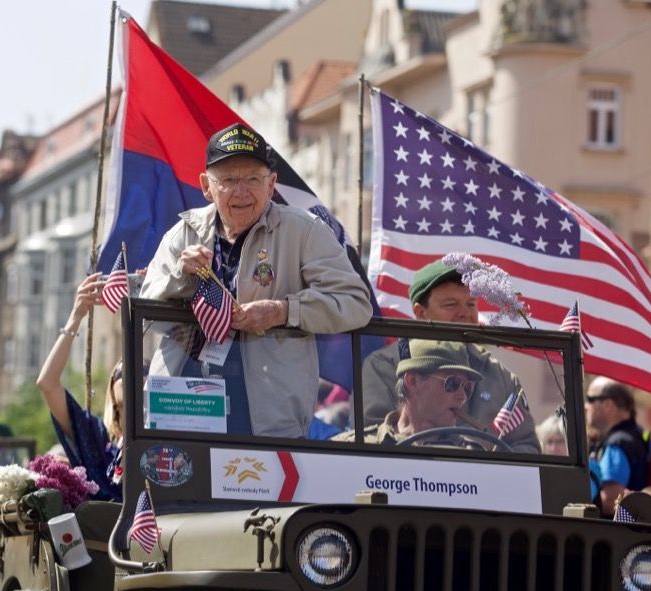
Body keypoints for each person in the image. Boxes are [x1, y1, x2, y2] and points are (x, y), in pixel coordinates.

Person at [140, 122, 372, 438]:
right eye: (229, 180)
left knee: (260, 485)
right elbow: (147, 316)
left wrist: (284, 311)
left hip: (268, 413)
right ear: (207, 186)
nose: (241, 191)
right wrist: (181, 276)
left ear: (271, 184)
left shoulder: (304, 230)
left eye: (252, 179)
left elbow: (356, 303)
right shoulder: (183, 234)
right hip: (184, 404)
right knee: (183, 486)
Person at [360, 258, 539, 453]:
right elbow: (371, 442)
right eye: (451, 304)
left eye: (471, 304)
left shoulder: (500, 376)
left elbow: (526, 446)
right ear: (421, 313)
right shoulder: (383, 366)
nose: (464, 313)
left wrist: (489, 470)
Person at [37, 272, 124, 502]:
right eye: (122, 371)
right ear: (112, 395)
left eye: (143, 370)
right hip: (104, 537)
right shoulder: (97, 441)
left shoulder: (164, 437)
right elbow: (47, 384)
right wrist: (76, 316)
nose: (136, 375)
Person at [334, 339, 484, 448]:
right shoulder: (350, 447)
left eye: (467, 387)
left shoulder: (473, 457)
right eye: (453, 383)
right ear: (412, 382)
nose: (462, 396)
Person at [586, 376, 650, 516]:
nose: (586, 406)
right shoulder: (632, 435)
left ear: (608, 405)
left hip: (613, 534)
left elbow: (610, 502)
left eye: (590, 399)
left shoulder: (618, 443)